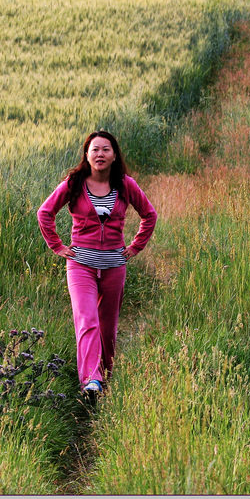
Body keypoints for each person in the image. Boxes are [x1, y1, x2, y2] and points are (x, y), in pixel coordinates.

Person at [37, 130, 157, 395]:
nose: (100, 154)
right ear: (87, 155)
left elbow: (150, 215)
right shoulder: (74, 183)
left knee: (107, 327)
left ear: (114, 155)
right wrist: (57, 246)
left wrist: (135, 246)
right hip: (81, 266)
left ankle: (105, 378)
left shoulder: (126, 184)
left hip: (115, 266)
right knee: (87, 320)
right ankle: (91, 381)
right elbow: (45, 212)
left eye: (105, 149)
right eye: (95, 149)